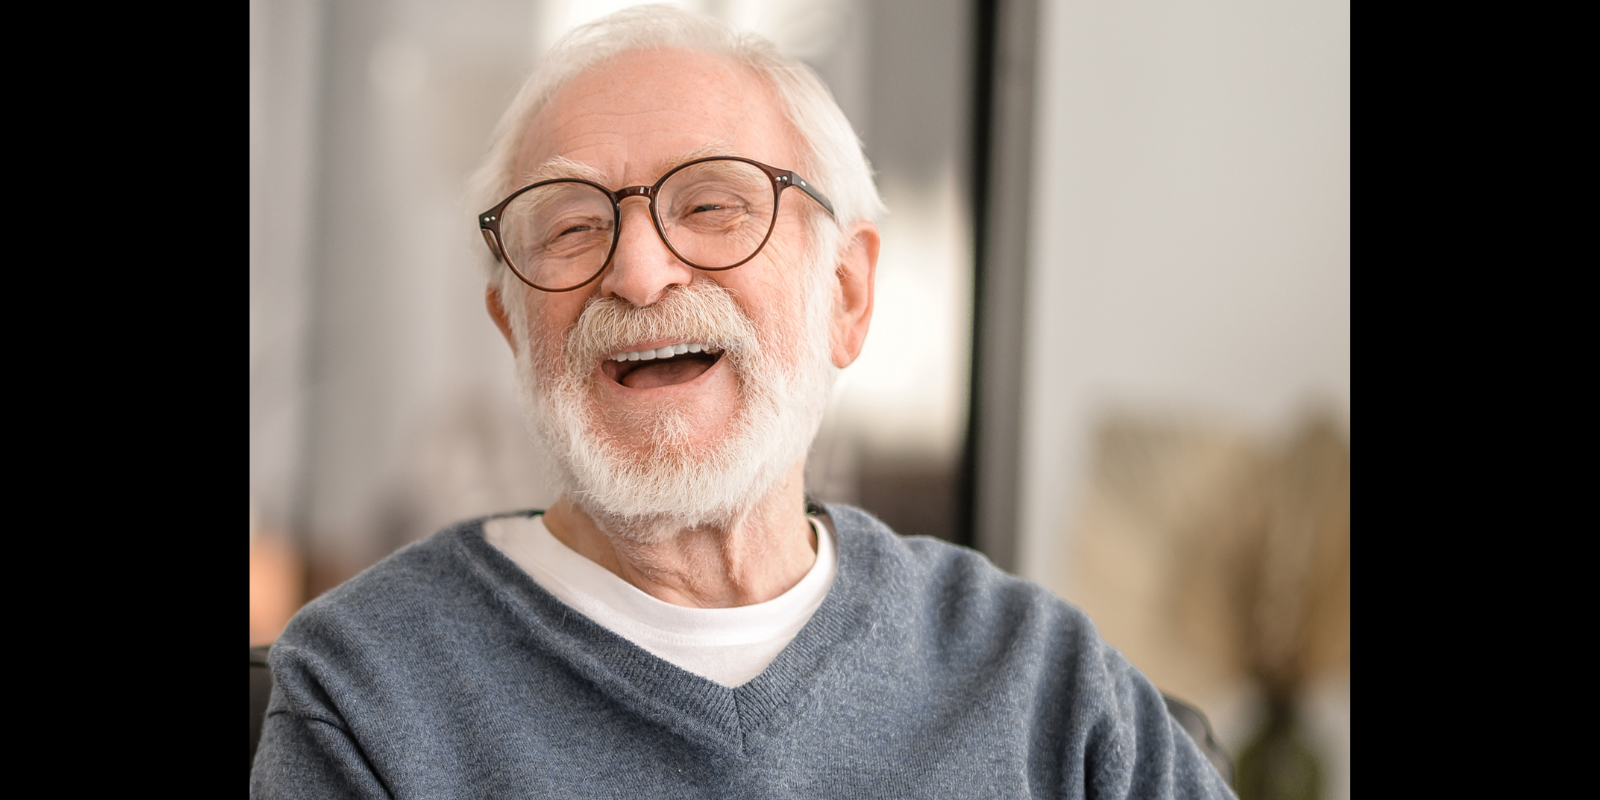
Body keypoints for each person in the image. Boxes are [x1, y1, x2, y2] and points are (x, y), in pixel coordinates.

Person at [251, 6, 1235, 798]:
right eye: (569, 226)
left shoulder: (1039, 676)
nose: (637, 272)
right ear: (514, 329)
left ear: (845, 293)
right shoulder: (367, 687)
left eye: (712, 205)